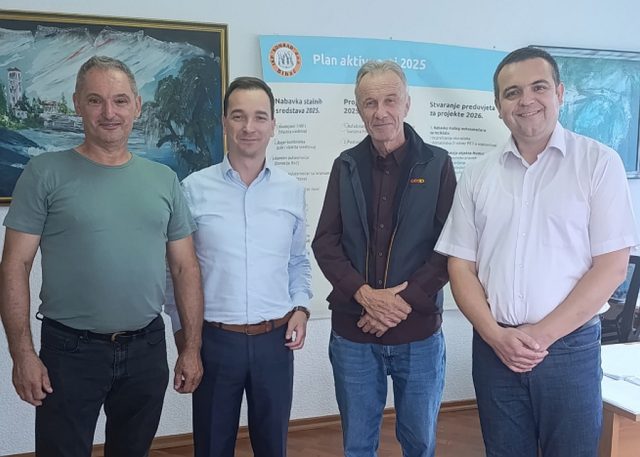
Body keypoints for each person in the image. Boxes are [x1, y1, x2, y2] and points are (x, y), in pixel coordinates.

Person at [435, 47, 638, 457]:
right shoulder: (477, 175)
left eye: (538, 87)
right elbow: (460, 266)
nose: (526, 100)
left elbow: (612, 267)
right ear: (498, 106)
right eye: (512, 92)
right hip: (494, 348)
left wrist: (536, 338)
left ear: (559, 93)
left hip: (568, 349)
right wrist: (497, 336)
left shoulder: (598, 164)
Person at [0, 56, 204, 457]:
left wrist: (191, 347)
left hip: (146, 349)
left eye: (120, 100)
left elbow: (185, 268)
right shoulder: (44, 173)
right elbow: (14, 266)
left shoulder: (164, 180)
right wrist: (22, 355)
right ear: (77, 103)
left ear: (137, 106)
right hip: (69, 353)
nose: (109, 113)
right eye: (95, 100)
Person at [312, 60, 456, 457]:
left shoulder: (438, 164)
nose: (381, 112)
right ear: (358, 109)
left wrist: (399, 302)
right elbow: (325, 242)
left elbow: (450, 246)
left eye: (390, 100)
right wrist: (365, 296)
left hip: (418, 333)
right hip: (354, 332)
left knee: (420, 443)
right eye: (370, 103)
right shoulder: (345, 165)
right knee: (358, 446)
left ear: (407, 103)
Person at [164, 76, 312, 457]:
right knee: (212, 447)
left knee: (273, 447)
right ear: (224, 122)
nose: (249, 127)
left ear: (273, 125)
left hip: (275, 343)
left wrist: (301, 306)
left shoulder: (291, 190)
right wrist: (184, 337)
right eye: (238, 116)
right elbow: (174, 271)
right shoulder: (192, 190)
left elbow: (298, 259)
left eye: (260, 117)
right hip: (214, 342)